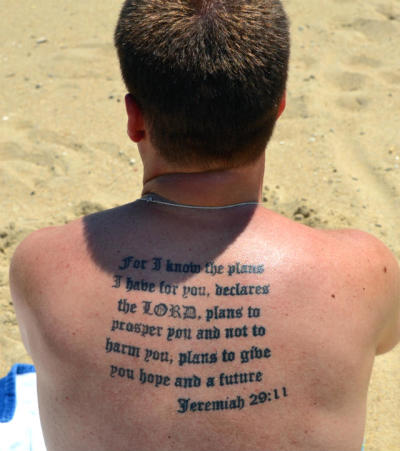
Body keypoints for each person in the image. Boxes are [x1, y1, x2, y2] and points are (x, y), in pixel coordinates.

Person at [9, 0, 400, 450]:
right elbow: (384, 342)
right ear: (279, 107)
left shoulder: (43, 264)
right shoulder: (365, 272)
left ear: (134, 119)